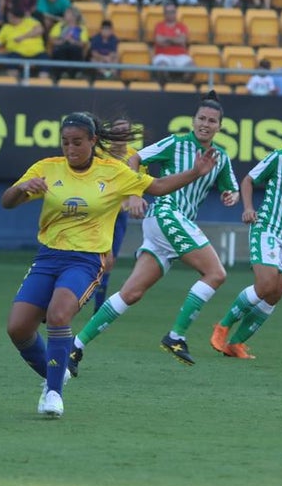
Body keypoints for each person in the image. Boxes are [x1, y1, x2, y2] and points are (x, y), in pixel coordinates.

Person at [2, 111, 217, 418]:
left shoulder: (113, 172)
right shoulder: (46, 168)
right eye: (65, 142)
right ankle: (56, 372)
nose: (70, 148)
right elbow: (6, 202)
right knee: (18, 328)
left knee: (59, 313)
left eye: (77, 142)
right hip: (48, 256)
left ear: (93, 141)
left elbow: (156, 186)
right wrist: (21, 189)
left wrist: (195, 172)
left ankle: (53, 393)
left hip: (87, 260)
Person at [72, 93, 239, 372]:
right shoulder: (176, 143)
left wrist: (230, 196)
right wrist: (135, 192)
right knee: (216, 273)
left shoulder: (219, 157)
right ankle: (176, 336)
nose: (205, 124)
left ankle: (76, 346)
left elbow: (229, 187)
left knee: (131, 293)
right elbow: (134, 159)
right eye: (201, 119)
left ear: (219, 126)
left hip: (172, 225)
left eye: (212, 121)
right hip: (166, 214)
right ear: (194, 120)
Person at [210, 110, 282, 360]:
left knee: (275, 293)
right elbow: (247, 180)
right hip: (267, 228)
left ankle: (236, 344)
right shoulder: (279, 158)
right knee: (265, 285)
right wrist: (249, 208)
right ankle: (222, 326)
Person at [89, 118, 142, 312]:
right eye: (116, 129)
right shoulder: (99, 154)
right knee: (92, 257)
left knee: (109, 262)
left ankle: (97, 307)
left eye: (124, 130)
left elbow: (138, 186)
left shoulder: (134, 157)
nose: (120, 134)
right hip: (98, 212)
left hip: (119, 216)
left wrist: (130, 202)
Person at [151, 2, 195, 77]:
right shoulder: (159, 26)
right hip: (163, 55)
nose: (171, 14)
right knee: (162, 67)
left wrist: (167, 39)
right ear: (164, 13)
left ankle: (183, 85)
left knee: (192, 67)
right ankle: (165, 86)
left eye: (173, 12)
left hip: (180, 55)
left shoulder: (182, 26)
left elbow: (182, 40)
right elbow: (159, 41)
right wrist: (175, 40)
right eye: (168, 12)